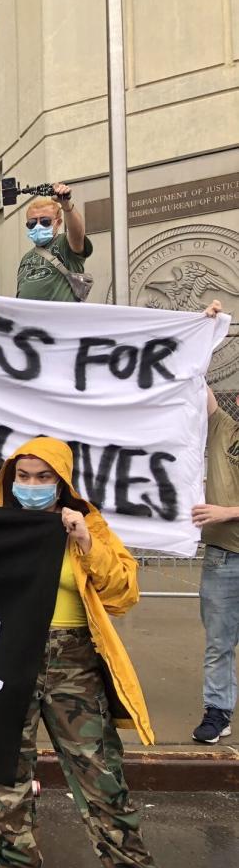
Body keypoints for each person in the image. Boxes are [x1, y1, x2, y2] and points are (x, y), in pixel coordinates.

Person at [0, 437, 172, 868]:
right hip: (7, 661)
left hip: (74, 666)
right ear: (10, 479)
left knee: (101, 779)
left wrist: (85, 541)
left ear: (62, 483)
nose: (32, 486)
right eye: (23, 477)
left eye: (44, 478)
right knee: (7, 780)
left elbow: (123, 593)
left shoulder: (88, 527)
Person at [189, 299, 238, 744]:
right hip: (225, 558)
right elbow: (195, 381)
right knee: (219, 643)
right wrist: (201, 330)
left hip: (226, 542)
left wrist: (228, 512)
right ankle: (218, 712)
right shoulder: (224, 428)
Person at [15, 182, 92, 303]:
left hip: (59, 320)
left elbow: (77, 233)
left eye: (45, 221)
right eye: (32, 223)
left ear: (58, 222)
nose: (38, 225)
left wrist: (65, 204)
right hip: (30, 320)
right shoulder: (26, 258)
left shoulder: (65, 245)